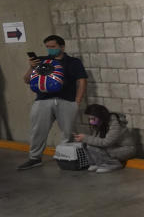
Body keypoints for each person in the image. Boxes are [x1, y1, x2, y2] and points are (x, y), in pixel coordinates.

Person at [18, 35, 87, 170]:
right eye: (48, 47)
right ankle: (34, 158)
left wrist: (77, 102)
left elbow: (82, 81)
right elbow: (27, 80)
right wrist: (31, 67)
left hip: (66, 101)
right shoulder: (42, 61)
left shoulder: (73, 62)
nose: (50, 50)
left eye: (53, 47)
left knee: (67, 133)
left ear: (62, 46)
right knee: (37, 131)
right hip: (43, 100)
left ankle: (66, 160)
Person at [72, 103, 137, 173]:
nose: (91, 121)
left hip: (127, 149)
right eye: (89, 119)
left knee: (96, 147)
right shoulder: (101, 123)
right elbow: (95, 139)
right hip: (113, 147)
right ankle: (98, 163)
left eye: (93, 118)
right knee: (88, 145)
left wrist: (86, 138)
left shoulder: (115, 124)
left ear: (100, 116)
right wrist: (83, 139)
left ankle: (112, 164)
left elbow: (106, 142)